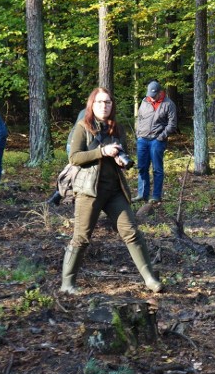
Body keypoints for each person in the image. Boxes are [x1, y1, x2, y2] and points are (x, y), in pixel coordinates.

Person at [61, 87, 162, 294]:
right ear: (92, 104)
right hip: (89, 190)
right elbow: (75, 157)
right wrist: (101, 151)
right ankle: (67, 284)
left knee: (131, 233)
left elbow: (121, 152)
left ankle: (150, 279)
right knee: (81, 238)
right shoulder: (83, 127)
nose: (104, 106)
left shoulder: (117, 128)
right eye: (99, 102)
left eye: (107, 102)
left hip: (114, 190)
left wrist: (118, 159)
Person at [133, 80, 177, 203]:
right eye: (149, 96)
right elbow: (140, 118)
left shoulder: (169, 104)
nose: (151, 98)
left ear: (159, 93)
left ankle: (156, 196)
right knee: (142, 167)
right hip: (142, 139)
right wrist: (138, 134)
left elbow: (172, 124)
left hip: (157, 140)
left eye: (153, 96)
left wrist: (161, 136)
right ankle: (142, 194)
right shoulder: (144, 101)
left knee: (157, 169)